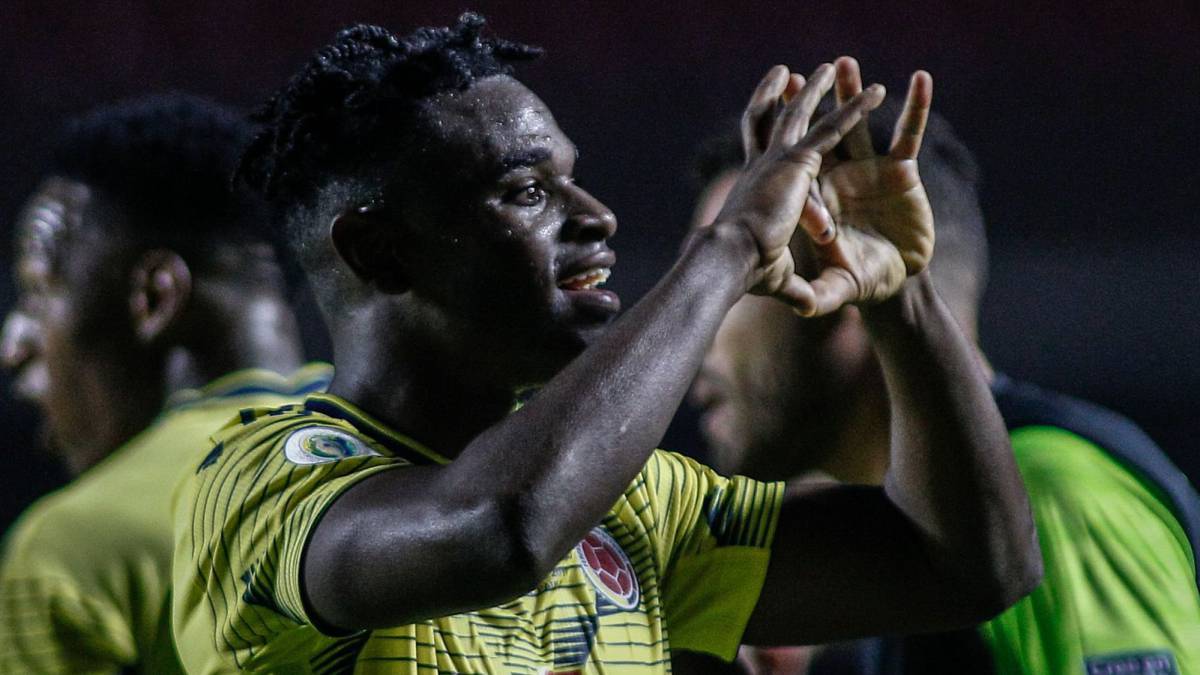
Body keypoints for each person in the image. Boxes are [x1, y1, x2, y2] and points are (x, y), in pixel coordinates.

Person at [172, 14, 1040, 673]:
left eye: (573, 180)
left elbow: (965, 568)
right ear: (379, 251)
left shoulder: (633, 504)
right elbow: (502, 528)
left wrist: (899, 290)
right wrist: (730, 248)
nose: (596, 217)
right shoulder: (262, 484)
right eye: (526, 192)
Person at [689, 70, 1200, 674]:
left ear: (845, 272)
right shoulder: (888, 552)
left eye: (739, 283)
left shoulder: (1055, 493)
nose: (695, 344)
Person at [0, 93, 331, 674]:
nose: (13, 346)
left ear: (153, 297)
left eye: (39, 292)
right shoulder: (434, 465)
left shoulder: (78, 541)